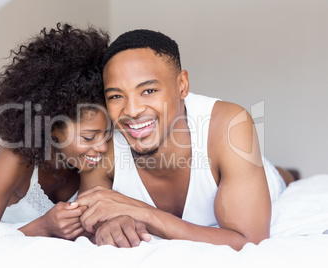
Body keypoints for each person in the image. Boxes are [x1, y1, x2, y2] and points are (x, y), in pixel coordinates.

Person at [76, 29, 295, 250]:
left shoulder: (230, 124)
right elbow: (89, 221)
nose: (132, 111)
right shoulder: (103, 147)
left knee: (280, 177)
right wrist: (108, 225)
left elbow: (249, 240)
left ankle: (287, 173)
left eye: (149, 90)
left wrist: (145, 214)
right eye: (116, 96)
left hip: (254, 172)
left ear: (182, 85)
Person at [0, 23, 115, 240]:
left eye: (107, 133)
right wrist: (43, 227)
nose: (102, 147)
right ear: (52, 128)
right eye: (88, 137)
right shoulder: (14, 158)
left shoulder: (96, 158)